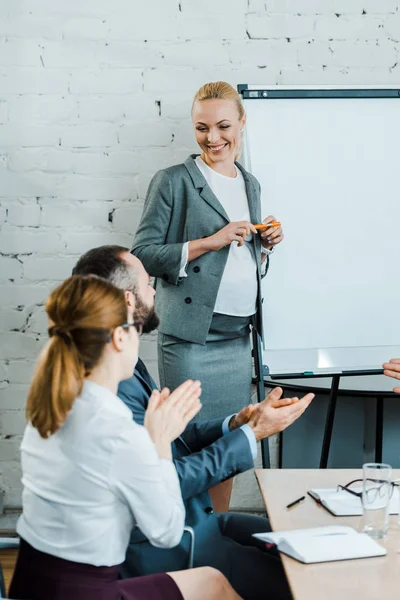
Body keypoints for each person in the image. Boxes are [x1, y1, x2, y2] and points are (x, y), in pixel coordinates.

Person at [73, 245, 314, 600]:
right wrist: (254, 434)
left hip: (199, 520)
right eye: (146, 282)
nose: (155, 289)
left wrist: (235, 424)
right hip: (170, 546)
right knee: (302, 579)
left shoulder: (122, 362)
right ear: (127, 300)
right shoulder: (110, 385)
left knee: (290, 538)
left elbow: (171, 437)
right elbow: (164, 479)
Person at [9, 275, 242, 600]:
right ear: (119, 338)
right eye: (136, 327)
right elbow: (167, 533)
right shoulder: (118, 433)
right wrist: (158, 444)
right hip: (84, 593)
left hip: (30, 585)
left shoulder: (48, 410)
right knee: (212, 583)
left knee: (209, 582)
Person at [131, 81, 284, 423]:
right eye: (202, 128)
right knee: (187, 440)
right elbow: (141, 255)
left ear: (242, 122)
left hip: (238, 336)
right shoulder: (172, 181)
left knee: (230, 443)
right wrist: (209, 241)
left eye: (223, 126)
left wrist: (266, 244)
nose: (213, 138)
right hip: (190, 337)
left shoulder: (250, 183)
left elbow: (241, 257)